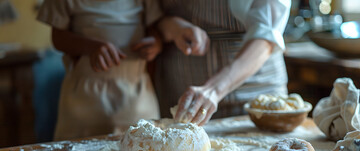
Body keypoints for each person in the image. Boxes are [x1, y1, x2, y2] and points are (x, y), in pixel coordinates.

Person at [37, 0, 163, 140]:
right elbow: (58, 38)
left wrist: (156, 44)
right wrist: (91, 47)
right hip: (84, 98)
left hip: (136, 95)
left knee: (143, 149)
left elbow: (156, 28)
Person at [155, 0, 291, 125]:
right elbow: (149, 19)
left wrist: (214, 89)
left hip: (254, 99)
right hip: (179, 97)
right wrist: (175, 27)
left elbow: (266, 37)